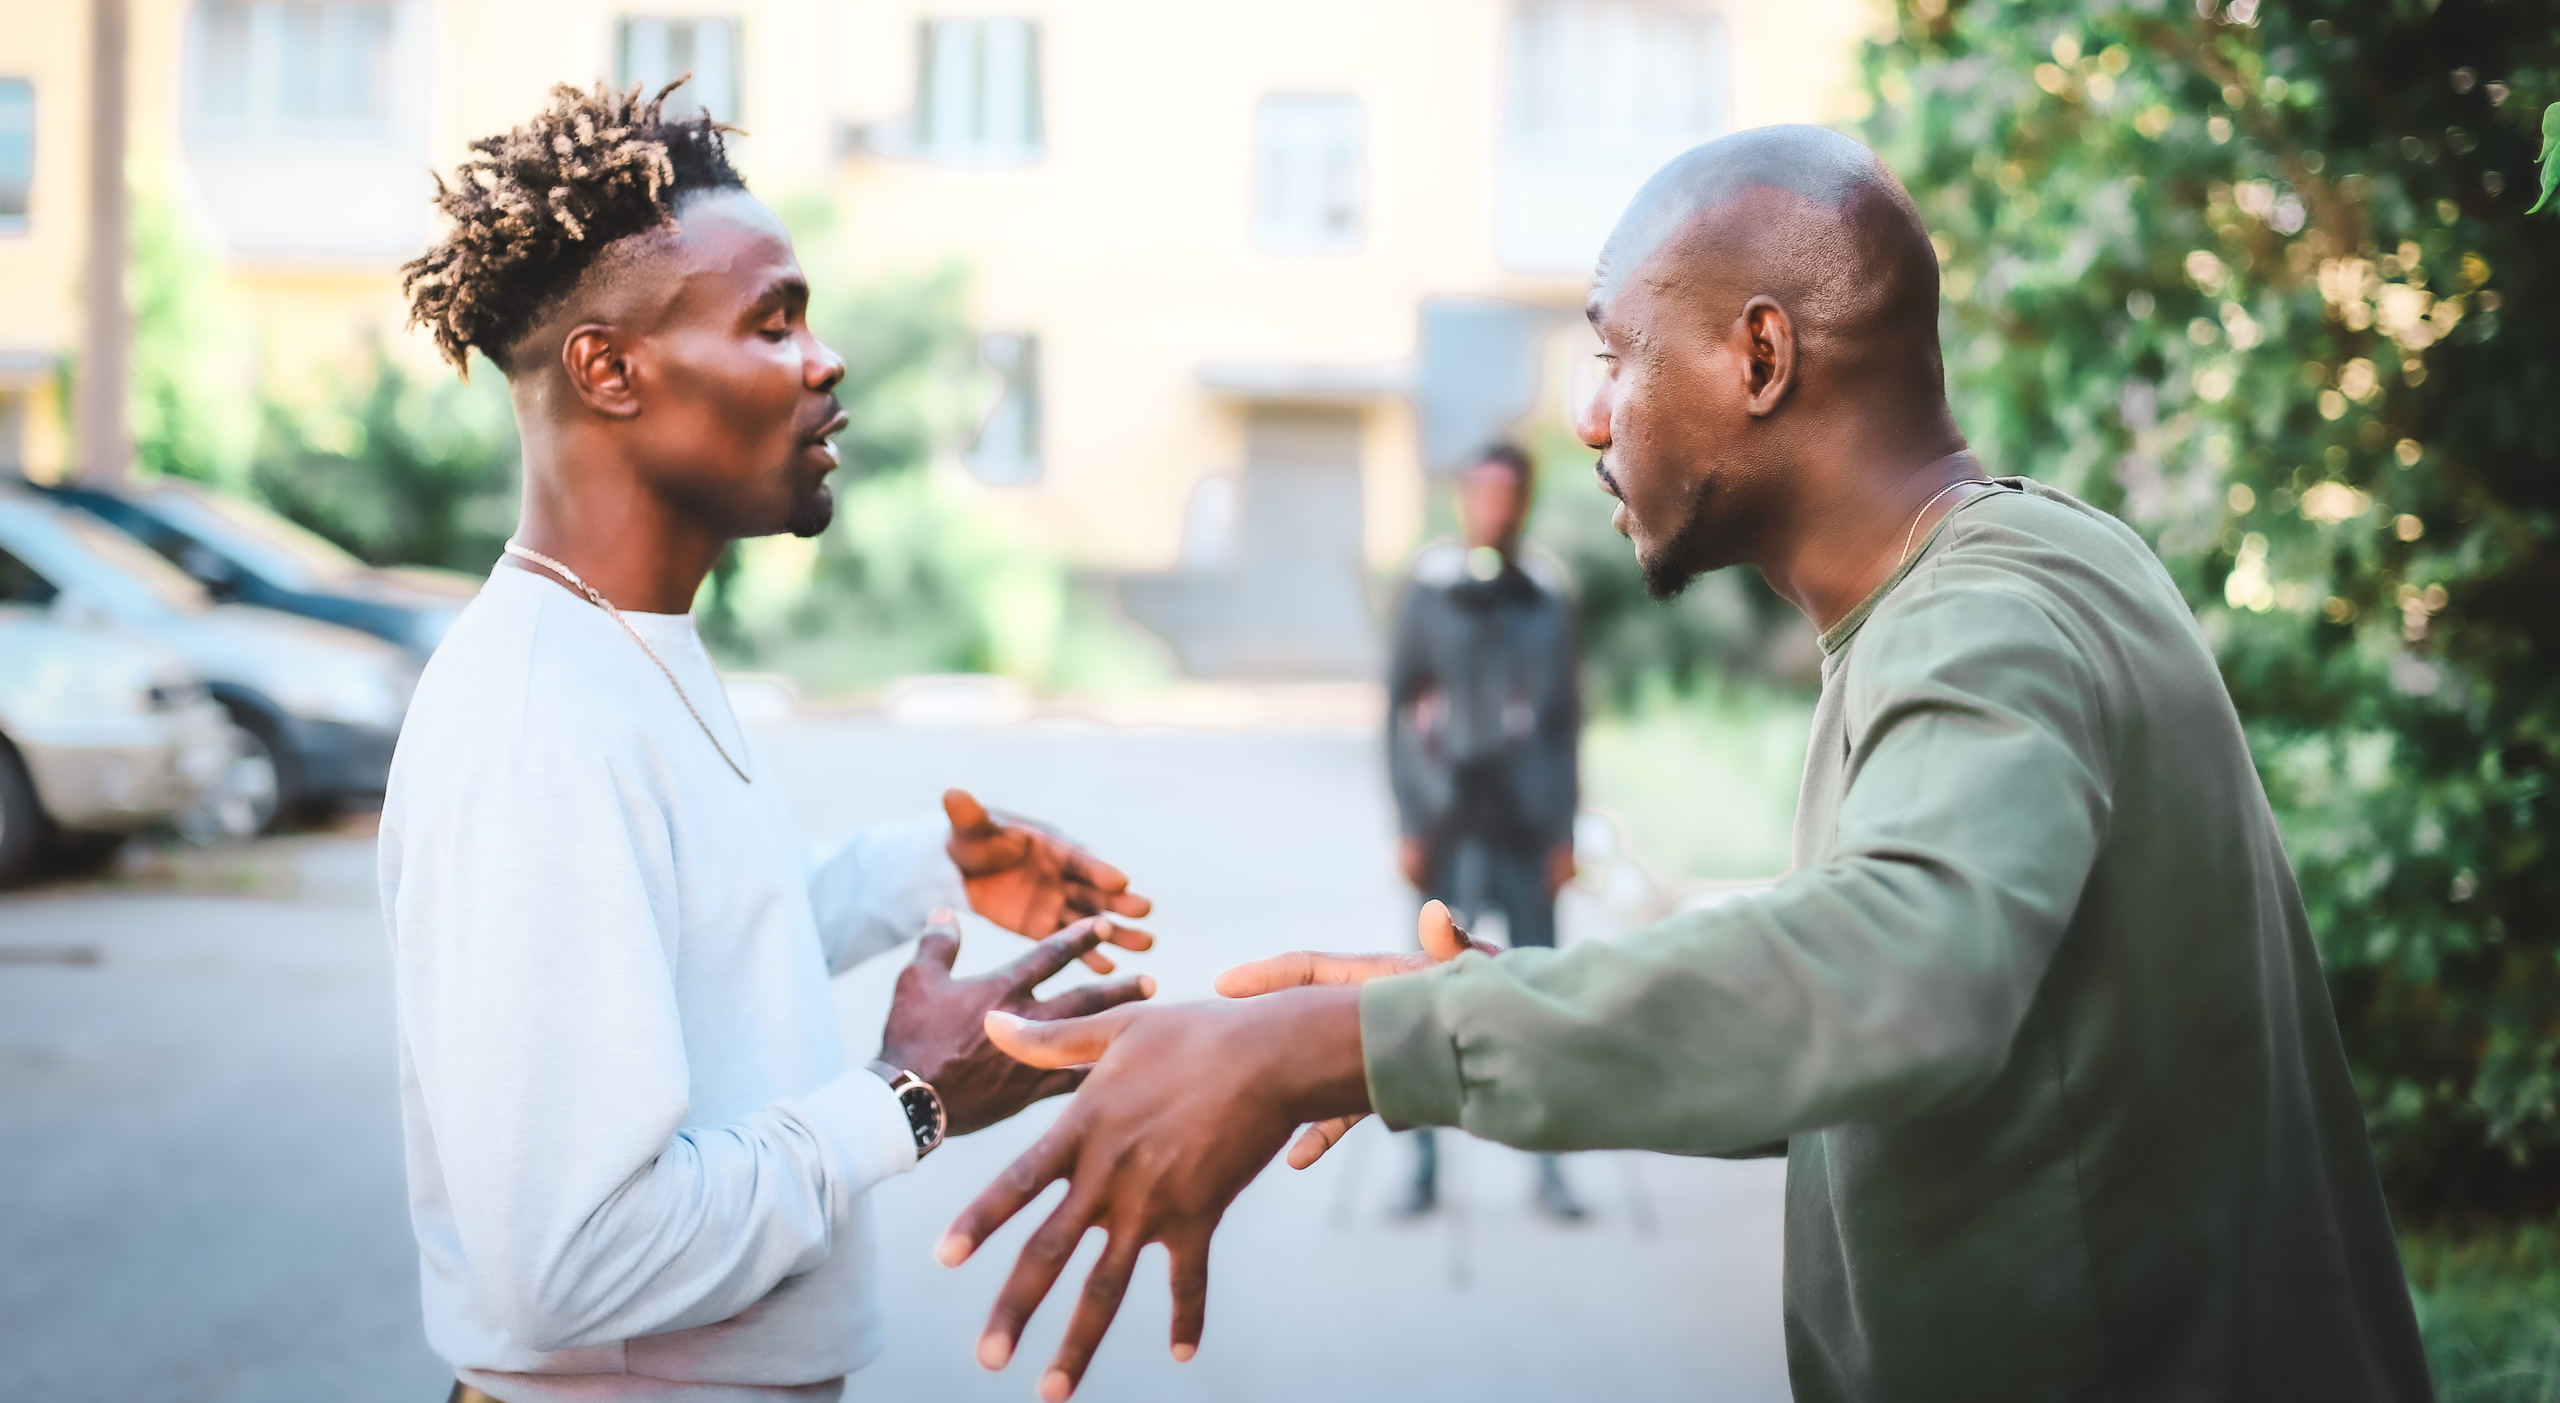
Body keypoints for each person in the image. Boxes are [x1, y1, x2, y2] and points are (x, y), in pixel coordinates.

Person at [932, 124, 2434, 1403]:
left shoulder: (1986, 614)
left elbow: (1904, 969)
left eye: (1612, 350)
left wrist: (1333, 1048)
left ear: (1760, 354)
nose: (1588, 418)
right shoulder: (1999, 576)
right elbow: (1891, 1010)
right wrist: (1450, 1012)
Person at [378, 81, 1155, 1403]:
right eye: (774, 320)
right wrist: (905, 1098)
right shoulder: (535, 727)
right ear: (610, 370)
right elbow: (564, 1264)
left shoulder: (617, 649)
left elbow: (663, 955)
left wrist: (926, 872)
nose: (824, 359)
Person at [1383, 442, 1581, 1218]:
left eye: (1509, 494)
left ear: (1525, 502)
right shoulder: (1428, 594)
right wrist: (1406, 820)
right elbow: (1397, 709)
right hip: (1447, 825)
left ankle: (1552, 1166)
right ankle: (1424, 1167)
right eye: (1482, 493)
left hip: (1527, 829)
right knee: (1427, 1001)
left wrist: (1566, 829)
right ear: (1464, 499)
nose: (1494, 507)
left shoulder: (1547, 597)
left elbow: (1566, 722)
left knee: (1541, 1001)